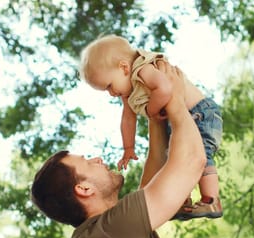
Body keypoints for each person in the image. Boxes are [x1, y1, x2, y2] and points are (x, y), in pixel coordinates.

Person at [31, 61, 207, 238]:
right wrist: (174, 99)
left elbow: (153, 179)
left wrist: (154, 116)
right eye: (88, 162)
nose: (98, 159)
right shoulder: (108, 233)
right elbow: (191, 162)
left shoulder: (102, 236)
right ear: (84, 188)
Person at [78, 34, 223, 220]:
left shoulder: (143, 69)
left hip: (200, 113)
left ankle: (212, 200)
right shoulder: (127, 91)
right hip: (183, 119)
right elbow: (127, 119)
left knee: (199, 151)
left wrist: (150, 110)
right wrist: (128, 147)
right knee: (175, 158)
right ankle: (182, 200)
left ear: (123, 68)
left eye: (109, 86)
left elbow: (164, 88)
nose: (111, 93)